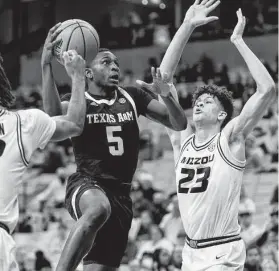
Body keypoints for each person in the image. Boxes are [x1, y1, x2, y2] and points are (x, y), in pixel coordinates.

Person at [41, 21, 187, 271]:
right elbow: (53, 115)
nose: (115, 67)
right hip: (88, 184)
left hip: (121, 195)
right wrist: (46, 65)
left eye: (116, 63)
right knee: (98, 209)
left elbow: (179, 122)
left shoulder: (132, 95)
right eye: (106, 63)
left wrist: (165, 94)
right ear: (87, 72)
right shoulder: (80, 100)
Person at [142, 0, 275, 269]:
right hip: (190, 253)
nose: (199, 102)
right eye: (198, 100)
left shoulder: (230, 139)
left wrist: (237, 40)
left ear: (223, 115)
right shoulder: (182, 140)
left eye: (207, 101)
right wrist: (186, 26)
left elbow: (267, 89)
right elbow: (164, 81)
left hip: (223, 250)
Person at [0, 27, 88, 271]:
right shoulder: (21, 123)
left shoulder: (24, 123)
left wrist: (47, 68)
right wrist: (78, 77)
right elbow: (74, 124)